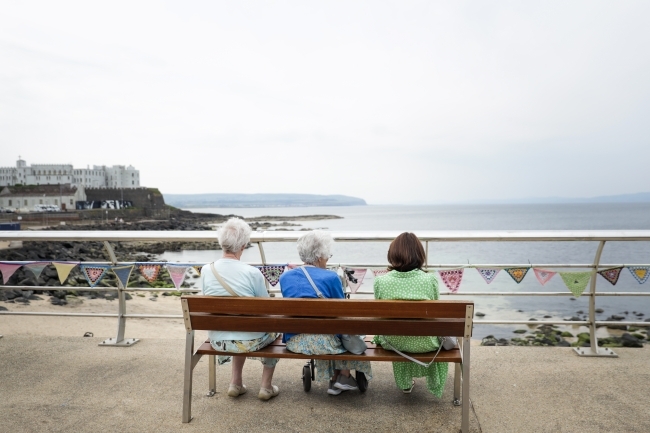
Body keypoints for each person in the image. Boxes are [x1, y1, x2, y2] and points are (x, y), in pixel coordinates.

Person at [279, 230, 372, 395]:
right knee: (340, 333)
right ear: (320, 256)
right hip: (325, 343)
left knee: (329, 332)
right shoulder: (331, 277)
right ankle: (342, 375)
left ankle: (337, 378)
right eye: (328, 254)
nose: (328, 258)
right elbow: (342, 315)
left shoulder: (286, 277)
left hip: (294, 341)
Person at [201, 217, 280, 401]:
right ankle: (266, 387)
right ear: (243, 245)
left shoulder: (206, 270)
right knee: (276, 330)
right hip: (249, 340)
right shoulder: (252, 273)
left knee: (237, 325)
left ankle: (235, 383)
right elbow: (266, 310)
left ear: (222, 242)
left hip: (218, 341)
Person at [373, 232, 448, 396]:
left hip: (393, 343)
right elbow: (434, 314)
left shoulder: (381, 281)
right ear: (419, 254)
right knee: (416, 333)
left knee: (399, 332)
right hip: (426, 343)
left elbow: (380, 317)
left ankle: (404, 383)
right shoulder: (431, 280)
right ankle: (434, 381)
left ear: (392, 254)